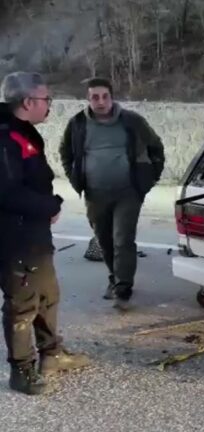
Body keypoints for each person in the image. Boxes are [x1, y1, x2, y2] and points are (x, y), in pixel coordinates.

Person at [0, 71, 90, 395]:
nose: (49, 104)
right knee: (22, 302)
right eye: (45, 99)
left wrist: (45, 207)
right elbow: (7, 192)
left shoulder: (23, 133)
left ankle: (51, 354)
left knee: (47, 295)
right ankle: (21, 369)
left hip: (34, 233)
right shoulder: (5, 138)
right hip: (15, 237)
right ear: (27, 102)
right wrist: (49, 205)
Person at [59, 77, 165, 311]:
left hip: (128, 192)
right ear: (88, 99)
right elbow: (65, 152)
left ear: (112, 97)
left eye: (105, 96)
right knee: (104, 240)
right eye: (95, 97)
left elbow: (156, 146)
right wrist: (75, 177)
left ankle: (123, 287)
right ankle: (114, 277)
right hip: (95, 194)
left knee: (122, 239)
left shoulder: (132, 121)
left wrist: (149, 179)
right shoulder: (77, 124)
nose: (100, 102)